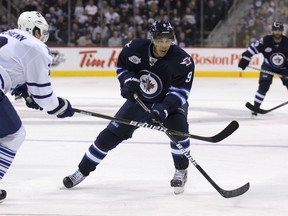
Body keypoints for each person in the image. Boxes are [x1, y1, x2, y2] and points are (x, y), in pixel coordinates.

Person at [63, 20, 195, 195]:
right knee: (107, 137)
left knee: (179, 131)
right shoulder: (135, 48)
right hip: (140, 100)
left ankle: (181, 170)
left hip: (168, 102)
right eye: (160, 40)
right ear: (152, 38)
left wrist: (163, 109)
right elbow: (122, 67)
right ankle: (81, 171)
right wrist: (128, 81)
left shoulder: (182, 61)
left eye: (168, 40)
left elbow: (180, 93)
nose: (164, 45)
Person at [0, 11, 74, 202]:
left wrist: (23, 89)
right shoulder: (36, 46)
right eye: (42, 31)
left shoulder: (7, 34)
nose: (43, 36)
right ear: (33, 29)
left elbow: (10, 70)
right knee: (14, 134)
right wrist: (59, 107)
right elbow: (43, 95)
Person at [238, 21, 288, 116]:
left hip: (284, 68)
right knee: (264, 86)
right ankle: (256, 108)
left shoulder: (287, 42)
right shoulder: (266, 41)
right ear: (272, 31)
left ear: (282, 31)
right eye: (276, 30)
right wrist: (245, 58)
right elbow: (252, 49)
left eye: (279, 30)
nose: (277, 32)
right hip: (268, 66)